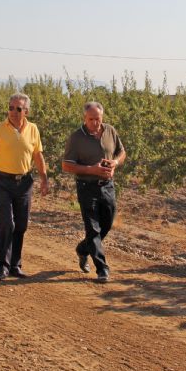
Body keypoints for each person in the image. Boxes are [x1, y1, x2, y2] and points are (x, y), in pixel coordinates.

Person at [0, 93, 48, 281]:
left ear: (26, 111)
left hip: (24, 183)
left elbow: (37, 155)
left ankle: (15, 265)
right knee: (7, 223)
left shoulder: (33, 129)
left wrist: (44, 178)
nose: (13, 112)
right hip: (3, 181)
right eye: (11, 107)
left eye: (18, 109)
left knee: (21, 225)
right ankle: (2, 266)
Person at [62, 101, 126, 282]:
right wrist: (92, 169)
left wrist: (115, 163)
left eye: (97, 119)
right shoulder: (76, 137)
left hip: (107, 186)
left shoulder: (110, 131)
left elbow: (121, 152)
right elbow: (66, 165)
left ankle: (83, 249)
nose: (95, 123)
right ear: (84, 118)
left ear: (102, 117)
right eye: (91, 119)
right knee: (93, 228)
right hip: (86, 187)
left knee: (106, 224)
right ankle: (102, 269)